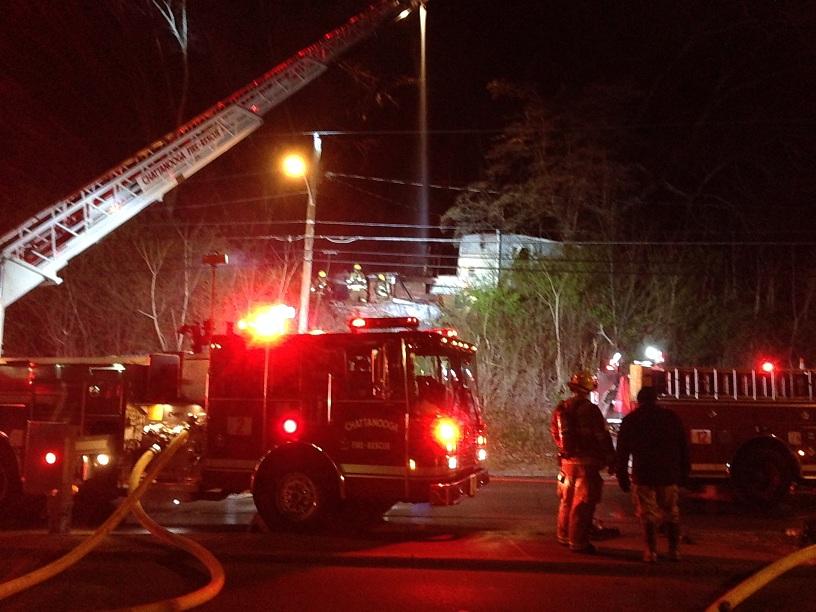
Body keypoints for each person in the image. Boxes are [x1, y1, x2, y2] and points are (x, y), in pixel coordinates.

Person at [615, 385, 690, 562]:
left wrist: (622, 477)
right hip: (668, 474)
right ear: (656, 399)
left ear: (639, 401)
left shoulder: (631, 420)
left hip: (644, 474)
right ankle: (674, 551)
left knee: (647, 514)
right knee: (671, 512)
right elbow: (683, 448)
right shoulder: (671, 418)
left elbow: (622, 453)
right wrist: (684, 472)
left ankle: (651, 551)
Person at [550, 370, 616, 554]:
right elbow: (601, 436)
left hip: (566, 463)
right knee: (583, 504)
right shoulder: (591, 410)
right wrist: (611, 458)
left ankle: (563, 536)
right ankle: (579, 542)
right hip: (587, 464)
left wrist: (566, 451)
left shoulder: (561, 408)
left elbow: (555, 433)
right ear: (589, 389)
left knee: (566, 501)